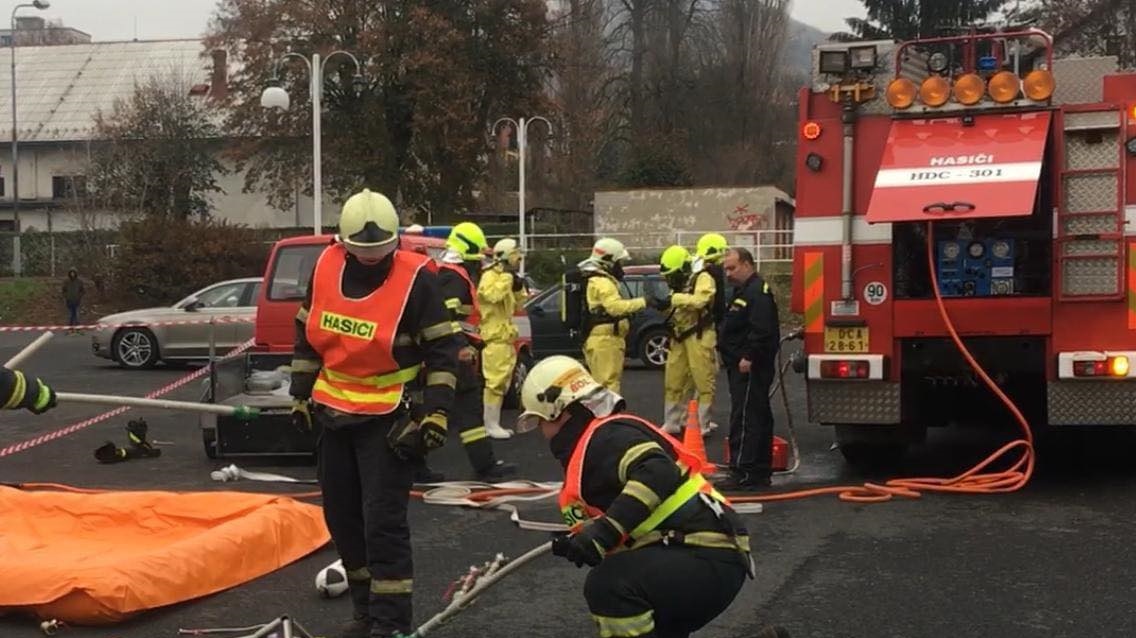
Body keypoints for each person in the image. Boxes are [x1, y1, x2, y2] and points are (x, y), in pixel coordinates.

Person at [288, 189, 463, 638]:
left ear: (395, 242)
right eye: (361, 251)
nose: (371, 259)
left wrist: (436, 414)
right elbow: (308, 334)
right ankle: (365, 614)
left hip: (388, 419)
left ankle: (390, 626)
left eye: (379, 251)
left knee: (383, 525)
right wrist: (300, 393)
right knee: (343, 520)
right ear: (343, 243)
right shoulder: (326, 267)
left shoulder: (417, 279)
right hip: (333, 415)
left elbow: (444, 350)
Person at [515, 355, 789, 638]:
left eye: (539, 422)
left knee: (609, 586)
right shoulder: (599, 441)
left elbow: (658, 472)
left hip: (703, 553)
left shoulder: (605, 438)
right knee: (647, 613)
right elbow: (629, 517)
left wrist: (603, 533)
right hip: (707, 555)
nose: (543, 434)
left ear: (557, 411)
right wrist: (582, 541)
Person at [437, 222, 517, 480]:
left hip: (443, 353)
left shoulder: (446, 272)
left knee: (433, 409)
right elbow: (448, 316)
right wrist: (461, 345)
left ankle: (483, 464)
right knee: (467, 408)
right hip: (451, 354)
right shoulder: (454, 278)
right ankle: (485, 466)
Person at [716, 247, 780, 491]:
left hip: (749, 366)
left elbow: (762, 329)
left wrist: (749, 356)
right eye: (726, 269)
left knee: (745, 417)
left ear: (746, 264)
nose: (728, 273)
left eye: (732, 268)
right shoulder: (743, 291)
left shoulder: (757, 292)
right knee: (757, 414)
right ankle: (758, 471)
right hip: (739, 364)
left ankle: (743, 470)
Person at [652, 245, 719, 437]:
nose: (669, 280)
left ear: (683, 269)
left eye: (672, 275)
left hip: (699, 335)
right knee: (673, 380)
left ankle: (702, 424)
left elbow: (700, 301)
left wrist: (674, 299)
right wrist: (664, 306)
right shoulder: (680, 286)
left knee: (703, 381)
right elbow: (679, 309)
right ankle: (672, 421)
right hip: (679, 336)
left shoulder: (703, 277)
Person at [580, 237, 646, 394]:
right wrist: (644, 302)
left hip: (602, 339)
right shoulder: (603, 282)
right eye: (619, 262)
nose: (620, 267)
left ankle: (603, 416)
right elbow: (615, 308)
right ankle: (608, 417)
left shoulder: (595, 279)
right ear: (608, 261)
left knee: (602, 383)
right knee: (608, 385)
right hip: (606, 340)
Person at [477, 237, 527, 439]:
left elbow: (517, 306)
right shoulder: (490, 276)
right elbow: (491, 296)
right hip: (495, 337)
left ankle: (494, 423)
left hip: (505, 337)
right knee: (495, 382)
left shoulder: (506, 277)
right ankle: (490, 425)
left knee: (504, 382)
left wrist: (518, 288)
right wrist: (507, 279)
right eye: (516, 255)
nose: (519, 260)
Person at [61, 268, 85, 333]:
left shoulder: (79, 281)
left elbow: (82, 290)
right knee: (70, 314)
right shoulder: (66, 281)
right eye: (71, 273)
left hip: (77, 300)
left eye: (73, 273)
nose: (72, 274)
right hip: (69, 300)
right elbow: (63, 290)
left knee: (77, 314)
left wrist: (79, 297)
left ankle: (78, 327)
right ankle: (70, 327)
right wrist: (66, 297)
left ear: (75, 273)